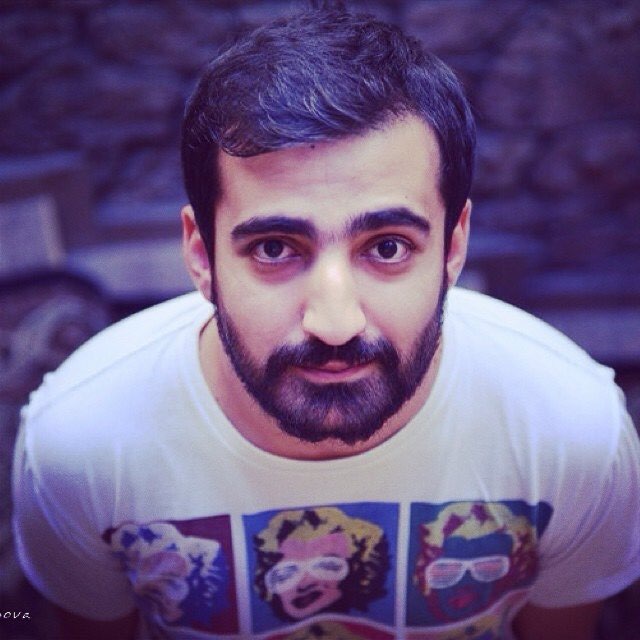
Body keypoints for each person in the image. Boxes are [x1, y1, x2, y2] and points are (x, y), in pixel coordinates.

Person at [11, 3, 640, 639]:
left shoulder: (570, 431)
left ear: (454, 248)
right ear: (201, 255)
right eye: (274, 248)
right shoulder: (81, 444)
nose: (334, 323)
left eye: (387, 247)